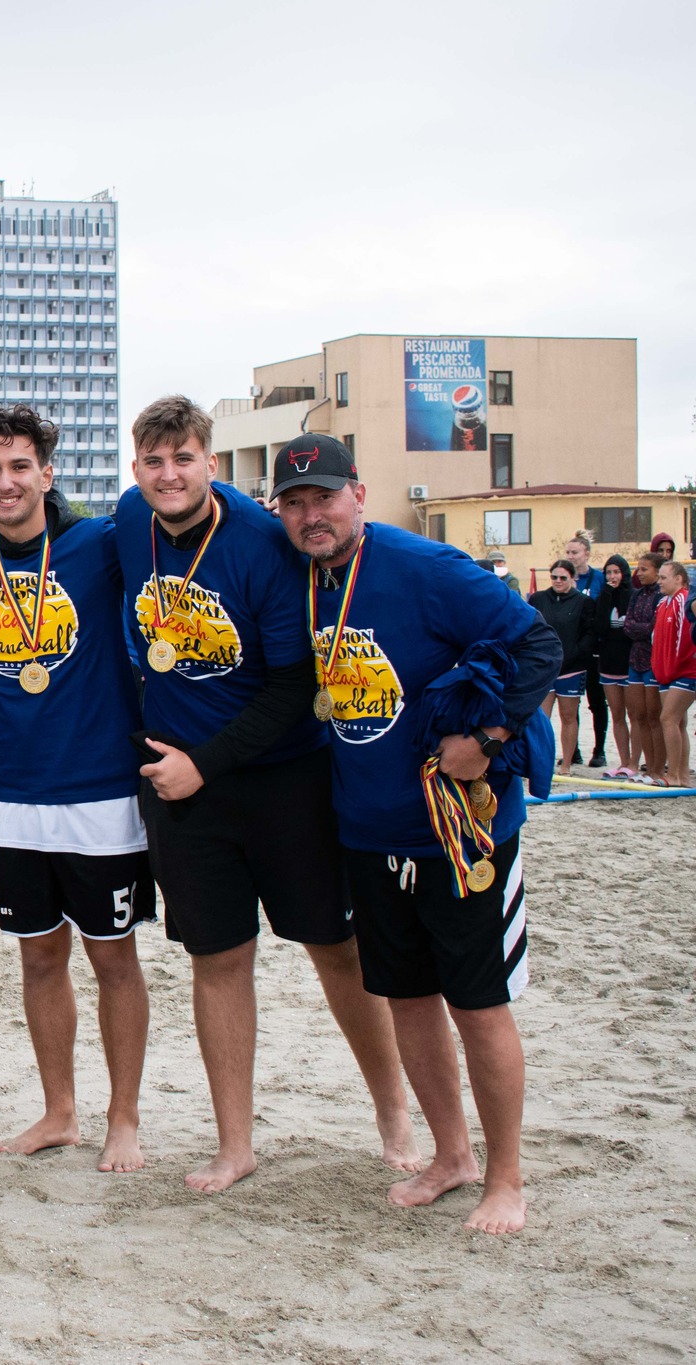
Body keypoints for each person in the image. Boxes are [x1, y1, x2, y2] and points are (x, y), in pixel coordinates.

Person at [119, 404, 415, 1190]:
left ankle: (392, 1108)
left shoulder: (261, 540)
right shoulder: (127, 521)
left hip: (283, 779)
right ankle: (235, 1141)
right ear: (135, 469)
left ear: (210, 462)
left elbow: (294, 686)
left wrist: (204, 765)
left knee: (336, 949)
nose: (168, 474)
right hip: (180, 790)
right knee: (217, 958)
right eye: (152, 460)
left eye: (183, 457)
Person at [275, 434, 556, 1235]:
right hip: (368, 832)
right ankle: (451, 1155)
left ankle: (505, 1176)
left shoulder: (426, 567)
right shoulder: (306, 580)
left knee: (479, 1005)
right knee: (407, 1000)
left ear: (358, 494)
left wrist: (492, 737)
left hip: (461, 834)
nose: (311, 514)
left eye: (324, 497)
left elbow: (537, 642)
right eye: (294, 503)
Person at [0, 405, 154, 1172]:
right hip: (16, 794)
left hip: (101, 792)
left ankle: (122, 1117)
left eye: (20, 466)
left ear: (47, 473)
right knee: (37, 959)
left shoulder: (98, 545)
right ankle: (61, 1109)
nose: (5, 481)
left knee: (114, 958)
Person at [528, 561, 593, 776]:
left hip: (571, 667)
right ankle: (540, 762)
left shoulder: (583, 602)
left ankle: (566, 763)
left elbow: (589, 635)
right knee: (540, 718)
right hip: (544, 667)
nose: (557, 581)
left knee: (568, 716)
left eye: (563, 578)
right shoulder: (538, 599)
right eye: (554, 577)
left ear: (572, 579)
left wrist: (574, 656)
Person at [564, 536, 609, 767]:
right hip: (572, 652)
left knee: (596, 700)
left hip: (594, 650)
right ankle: (573, 751)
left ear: (587, 554)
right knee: (571, 703)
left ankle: (599, 750)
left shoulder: (599, 579)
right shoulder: (563, 579)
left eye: (575, 552)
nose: (571, 557)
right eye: (568, 552)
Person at [650, 561, 694, 789]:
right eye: (659, 577)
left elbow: (682, 641)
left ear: (678, 579)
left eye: (664, 578)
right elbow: (658, 640)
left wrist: (671, 670)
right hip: (667, 672)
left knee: (668, 719)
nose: (659, 582)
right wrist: (660, 670)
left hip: (684, 671)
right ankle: (683, 776)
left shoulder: (683, 600)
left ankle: (675, 774)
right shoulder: (662, 603)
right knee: (678, 722)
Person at [623, 554, 667, 784]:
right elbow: (627, 625)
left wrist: (643, 629)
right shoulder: (636, 595)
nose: (639, 573)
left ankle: (658, 769)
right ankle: (648, 767)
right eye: (638, 569)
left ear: (657, 571)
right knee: (638, 715)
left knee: (654, 716)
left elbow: (655, 626)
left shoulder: (662, 596)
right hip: (635, 659)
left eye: (644, 569)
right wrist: (643, 629)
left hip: (654, 659)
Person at [594, 556, 637, 777]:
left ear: (624, 573)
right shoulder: (604, 596)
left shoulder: (634, 596)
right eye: (608, 573)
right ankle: (624, 761)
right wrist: (607, 596)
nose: (612, 577)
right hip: (608, 662)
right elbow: (600, 627)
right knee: (617, 714)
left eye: (616, 572)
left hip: (629, 663)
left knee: (635, 715)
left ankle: (636, 763)